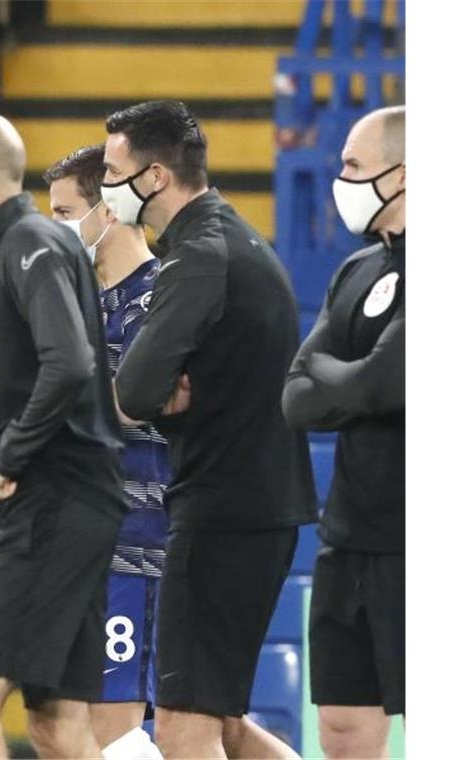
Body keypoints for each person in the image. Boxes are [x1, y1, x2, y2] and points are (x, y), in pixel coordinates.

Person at [107, 100, 317, 759]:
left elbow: (132, 393)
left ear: (156, 176)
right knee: (223, 721)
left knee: (181, 728)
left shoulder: (197, 256)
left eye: (113, 170)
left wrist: (158, 394)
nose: (105, 187)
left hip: (222, 513)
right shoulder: (232, 234)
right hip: (258, 508)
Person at [0, 112, 128, 759]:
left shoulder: (28, 242)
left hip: (53, 500)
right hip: (78, 499)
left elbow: (69, 362)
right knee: (58, 725)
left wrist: (7, 459)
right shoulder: (33, 242)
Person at [282, 106, 405, 759]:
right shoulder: (356, 270)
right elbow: (296, 396)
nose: (342, 178)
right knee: (341, 727)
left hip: (417, 545)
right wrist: (354, 379)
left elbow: (377, 384)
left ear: (402, 174)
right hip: (347, 537)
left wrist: (344, 379)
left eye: (353, 166)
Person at [45, 145, 170, 760]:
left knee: (115, 726)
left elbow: (143, 407)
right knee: (69, 726)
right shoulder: (79, 303)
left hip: (137, 542)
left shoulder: (163, 300)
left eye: (65, 213)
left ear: (109, 211)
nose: (55, 231)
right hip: (81, 544)